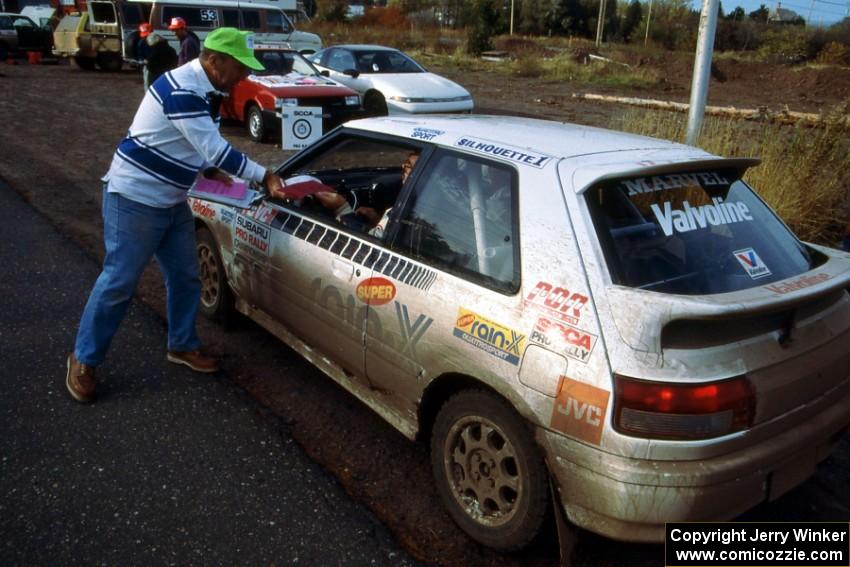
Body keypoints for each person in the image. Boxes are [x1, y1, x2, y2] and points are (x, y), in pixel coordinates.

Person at [65, 28, 285, 404]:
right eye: (239, 68)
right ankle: (83, 359)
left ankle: (181, 345)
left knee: (185, 277)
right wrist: (264, 175)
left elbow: (190, 145)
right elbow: (215, 148)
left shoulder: (206, 90)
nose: (243, 77)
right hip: (133, 198)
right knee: (119, 281)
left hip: (171, 200)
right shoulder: (183, 90)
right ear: (215, 61)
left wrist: (205, 171)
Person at [309, 151, 419, 237]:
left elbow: (366, 248)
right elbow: (388, 234)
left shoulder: (405, 211)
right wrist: (376, 220)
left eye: (409, 165)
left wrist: (342, 208)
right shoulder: (422, 206)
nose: (402, 166)